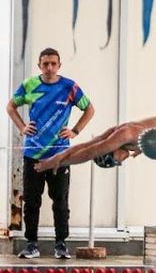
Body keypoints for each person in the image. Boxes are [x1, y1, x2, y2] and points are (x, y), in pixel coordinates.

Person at [6, 48, 95, 259]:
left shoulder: (69, 87)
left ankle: (61, 244)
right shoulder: (29, 85)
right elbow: (10, 107)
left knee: (61, 201)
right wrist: (21, 127)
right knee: (32, 200)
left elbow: (89, 109)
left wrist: (75, 131)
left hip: (60, 155)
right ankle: (31, 244)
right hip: (33, 153)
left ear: (59, 65)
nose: (49, 68)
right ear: (39, 65)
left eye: (53, 64)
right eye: (45, 64)